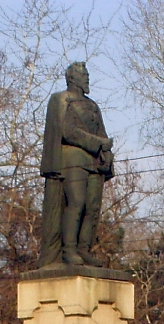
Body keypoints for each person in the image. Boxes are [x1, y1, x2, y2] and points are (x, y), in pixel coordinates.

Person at [38, 62, 113, 268]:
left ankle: (84, 248)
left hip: (93, 161)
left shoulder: (92, 105)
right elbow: (67, 131)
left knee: (92, 206)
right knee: (77, 202)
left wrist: (106, 151)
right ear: (72, 78)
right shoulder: (61, 99)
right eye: (83, 75)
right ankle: (68, 249)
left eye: (87, 75)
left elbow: (101, 132)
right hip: (71, 158)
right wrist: (97, 143)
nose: (87, 78)